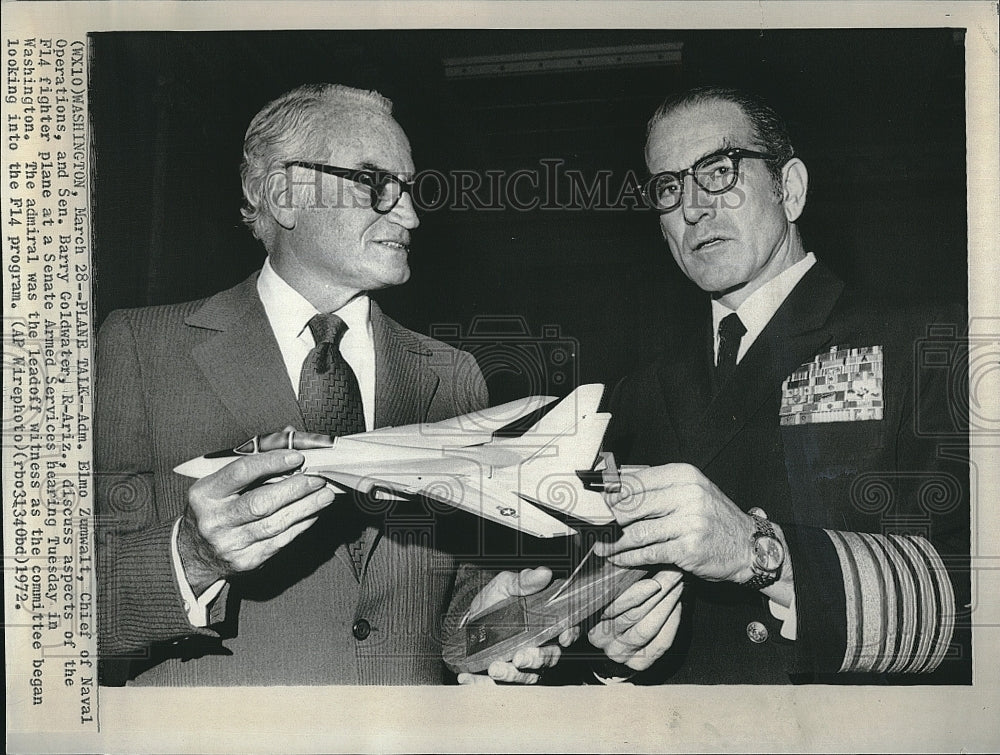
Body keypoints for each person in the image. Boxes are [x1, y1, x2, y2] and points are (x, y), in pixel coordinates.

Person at [95, 83, 500, 685]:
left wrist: (503, 624)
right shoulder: (138, 349)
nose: (411, 214)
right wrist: (192, 558)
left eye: (410, 189)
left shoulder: (453, 376)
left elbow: (457, 611)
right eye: (375, 183)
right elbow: (46, 611)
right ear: (284, 195)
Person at [592, 86, 970, 683]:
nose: (691, 207)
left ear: (788, 189)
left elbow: (976, 600)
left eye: (718, 172)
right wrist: (610, 640)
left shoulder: (925, 344)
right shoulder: (637, 393)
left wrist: (761, 553)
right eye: (668, 187)